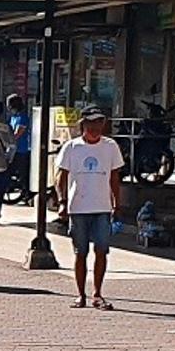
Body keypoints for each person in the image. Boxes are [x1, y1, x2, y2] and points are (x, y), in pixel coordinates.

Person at [57, 105, 127, 310]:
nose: (95, 128)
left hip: (102, 207)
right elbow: (61, 177)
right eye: (91, 123)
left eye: (99, 123)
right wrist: (62, 202)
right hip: (78, 207)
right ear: (83, 125)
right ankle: (80, 294)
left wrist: (117, 203)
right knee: (80, 252)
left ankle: (97, 293)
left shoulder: (110, 146)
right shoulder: (72, 147)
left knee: (102, 251)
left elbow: (115, 176)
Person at [6, 95, 35, 204]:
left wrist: (9, 140)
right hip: (13, 149)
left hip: (22, 149)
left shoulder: (23, 117)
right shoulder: (13, 117)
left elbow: (17, 133)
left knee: (23, 173)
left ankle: (27, 194)